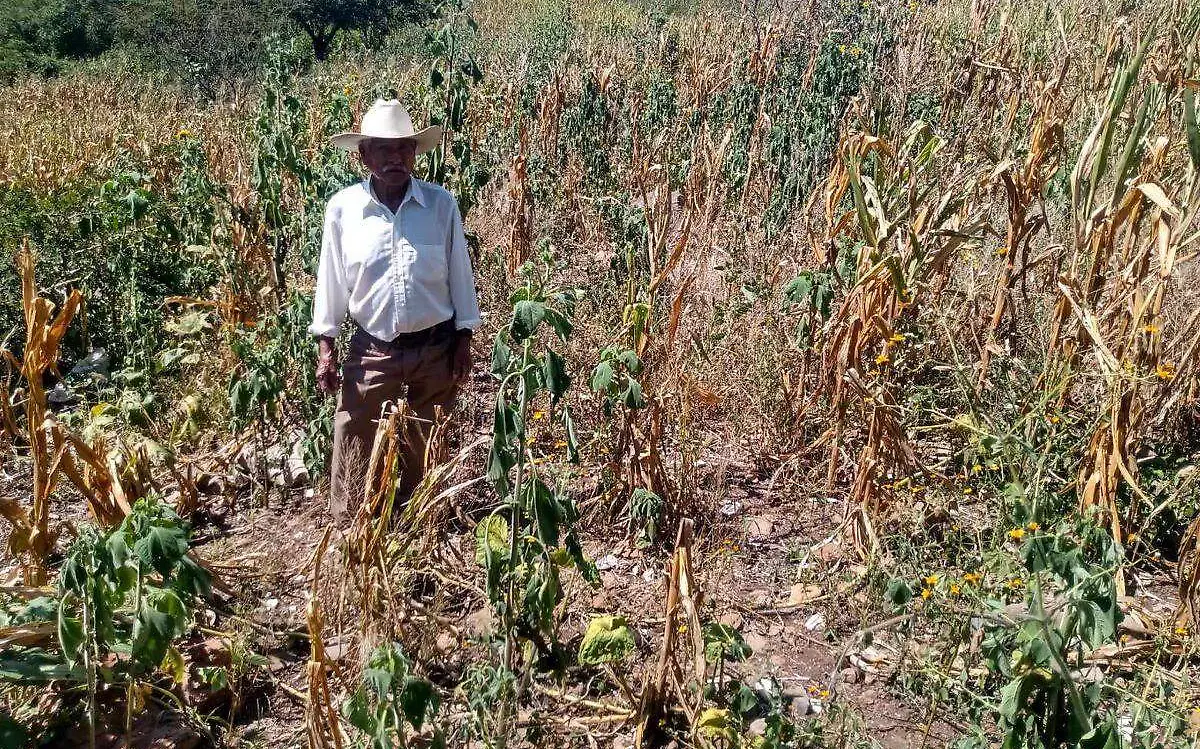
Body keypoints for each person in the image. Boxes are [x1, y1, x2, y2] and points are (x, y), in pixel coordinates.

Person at [309, 99, 481, 523]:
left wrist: (465, 337)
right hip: (373, 347)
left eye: (403, 148)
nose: (394, 158)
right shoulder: (344, 210)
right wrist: (326, 346)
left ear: (415, 154)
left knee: (426, 436)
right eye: (383, 149)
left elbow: (460, 273)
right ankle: (350, 525)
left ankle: (417, 519)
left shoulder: (440, 206)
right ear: (364, 155)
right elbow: (330, 278)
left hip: (435, 347)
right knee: (354, 432)